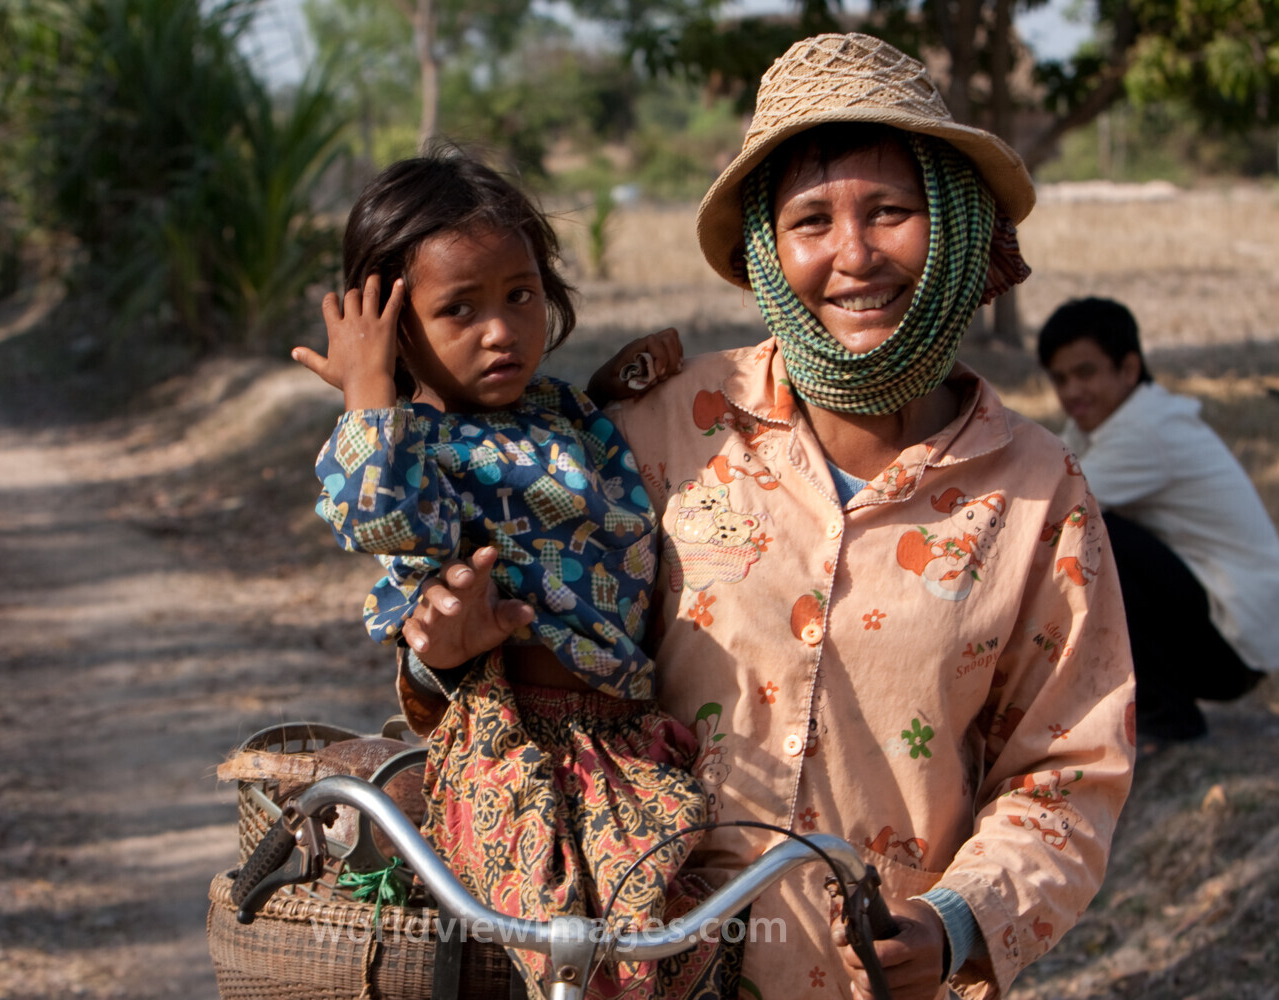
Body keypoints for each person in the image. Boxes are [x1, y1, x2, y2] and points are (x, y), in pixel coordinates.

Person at [397, 34, 1136, 1000]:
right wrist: (435, 656)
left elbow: (1070, 768)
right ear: (767, 250)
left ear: (952, 223)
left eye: (891, 211)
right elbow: (528, 663)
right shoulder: (656, 430)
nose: (855, 255)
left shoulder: (1041, 494)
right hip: (643, 966)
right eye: (810, 221)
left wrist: (958, 921)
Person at [293, 150, 736, 1000]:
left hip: (627, 737)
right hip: (520, 750)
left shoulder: (561, 409)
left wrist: (625, 386)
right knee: (590, 962)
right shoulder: (409, 443)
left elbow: (584, 491)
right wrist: (367, 395)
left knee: (688, 945)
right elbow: (373, 517)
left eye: (519, 295)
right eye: (458, 309)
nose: (500, 330)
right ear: (395, 327)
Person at [1038, 296, 1279, 747]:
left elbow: (1045, 509)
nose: (1072, 390)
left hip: (1231, 648)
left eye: (1086, 373)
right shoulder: (1106, 423)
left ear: (1128, 369)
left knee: (1087, 531)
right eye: (1060, 379)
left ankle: (1168, 717)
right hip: (1215, 625)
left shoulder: (1144, 431)